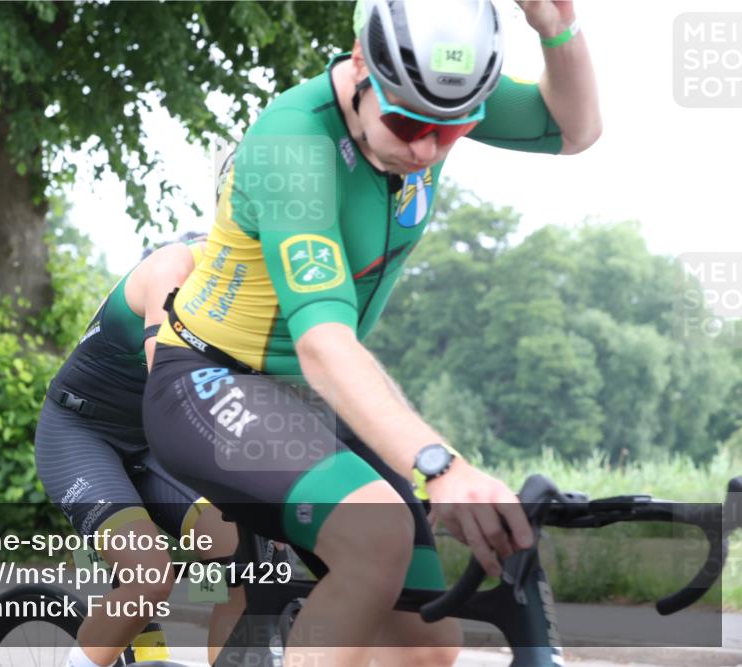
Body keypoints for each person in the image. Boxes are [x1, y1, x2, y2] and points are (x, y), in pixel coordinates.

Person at [143, 1, 601, 666]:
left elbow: (575, 128)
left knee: (426, 646)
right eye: (406, 122)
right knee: (377, 533)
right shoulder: (294, 142)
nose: (425, 150)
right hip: (212, 383)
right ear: (362, 64)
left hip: (311, 397)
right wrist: (440, 466)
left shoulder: (436, 95)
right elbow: (324, 342)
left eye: (451, 132)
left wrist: (557, 28)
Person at [35, 233, 244, 667]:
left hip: (150, 442)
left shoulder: (254, 299)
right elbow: (169, 384)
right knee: (150, 576)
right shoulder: (171, 267)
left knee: (246, 563)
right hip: (80, 434)